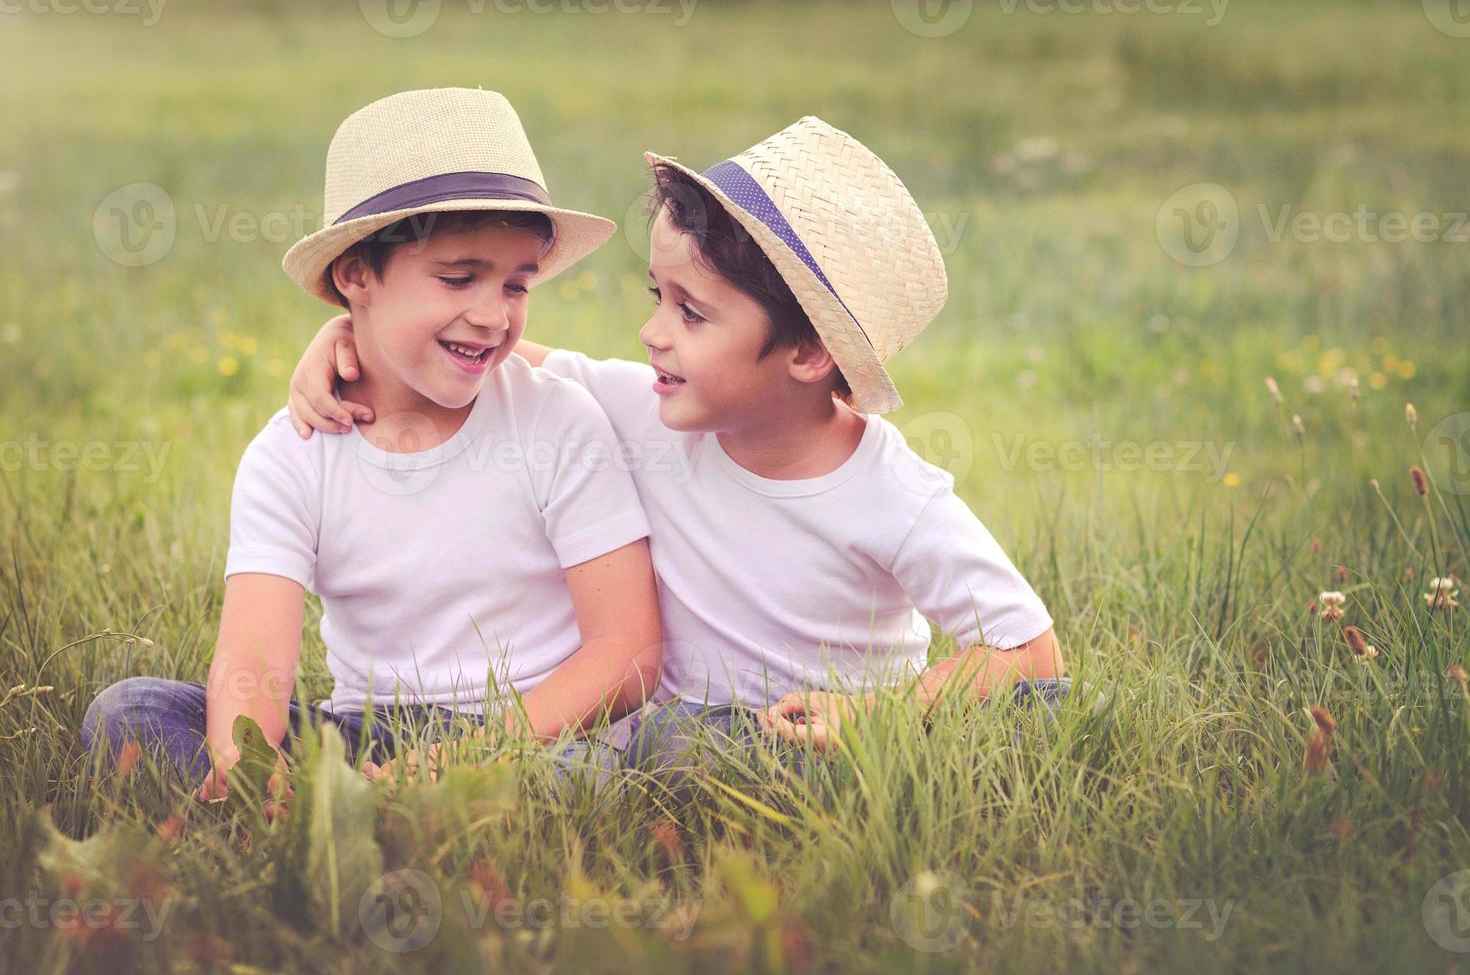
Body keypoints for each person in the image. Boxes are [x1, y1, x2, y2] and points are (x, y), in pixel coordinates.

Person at [288, 116, 1068, 784]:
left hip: (806, 749)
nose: (653, 333)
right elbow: (483, 354)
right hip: (671, 736)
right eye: (657, 298)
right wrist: (349, 336)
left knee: (678, 747)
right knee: (640, 752)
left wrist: (879, 711)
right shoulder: (651, 410)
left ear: (806, 353)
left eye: (692, 314)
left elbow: (1028, 652)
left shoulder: (892, 494)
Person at [82, 88, 661, 808]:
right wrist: (246, 763)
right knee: (130, 712)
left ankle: (392, 811)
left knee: (590, 778)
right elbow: (255, 656)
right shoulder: (293, 454)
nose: (493, 315)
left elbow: (627, 651)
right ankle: (328, 810)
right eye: (459, 277)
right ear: (356, 275)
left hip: (532, 736)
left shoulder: (557, 420)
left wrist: (472, 758)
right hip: (368, 732)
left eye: (517, 285)